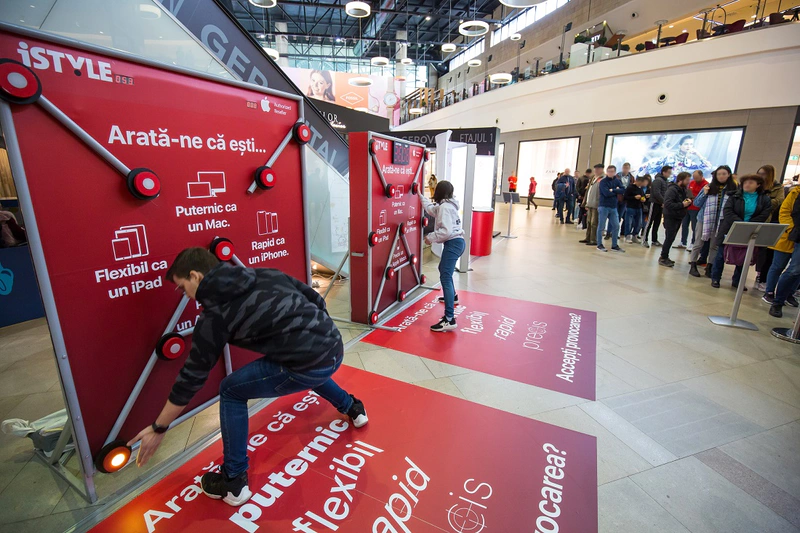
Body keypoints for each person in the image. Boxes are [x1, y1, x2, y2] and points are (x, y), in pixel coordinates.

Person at [128, 248, 368, 506]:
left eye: (182, 286)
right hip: (333, 346)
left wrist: (159, 427)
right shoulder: (263, 274)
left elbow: (191, 378)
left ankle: (233, 483)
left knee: (231, 390)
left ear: (196, 276)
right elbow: (316, 300)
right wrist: (313, 337)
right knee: (304, 363)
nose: (184, 295)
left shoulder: (214, 316)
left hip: (309, 364)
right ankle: (353, 408)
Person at [710, 174, 772, 289]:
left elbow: (764, 214)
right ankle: (715, 278)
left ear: (758, 185)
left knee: (744, 256)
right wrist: (740, 223)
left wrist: (748, 225)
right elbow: (727, 211)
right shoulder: (734, 196)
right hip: (731, 227)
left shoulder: (764, 199)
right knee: (721, 255)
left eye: (751, 182)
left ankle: (737, 281)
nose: (747, 185)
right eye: (745, 182)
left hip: (750, 230)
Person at [421, 181, 466, 332]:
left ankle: (449, 319)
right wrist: (420, 195)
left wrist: (430, 237)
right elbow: (431, 209)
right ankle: (452, 297)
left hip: (453, 244)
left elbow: (446, 232)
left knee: (445, 276)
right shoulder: (447, 205)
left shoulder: (445, 207)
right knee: (443, 270)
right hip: (457, 243)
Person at [688, 166, 737, 278]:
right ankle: (693, 265)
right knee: (698, 243)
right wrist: (705, 193)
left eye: (724, 174)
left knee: (715, 245)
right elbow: (697, 203)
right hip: (704, 219)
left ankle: (710, 266)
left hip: (721, 221)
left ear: (728, 174)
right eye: (719, 174)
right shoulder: (708, 187)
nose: (721, 176)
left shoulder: (733, 189)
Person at [763, 183, 800, 310]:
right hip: (788, 235)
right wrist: (792, 229)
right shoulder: (794, 193)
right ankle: (770, 293)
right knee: (778, 266)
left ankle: (789, 294)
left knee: (796, 270)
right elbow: (784, 212)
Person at [754, 164, 785, 291]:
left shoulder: (778, 187)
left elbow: (778, 202)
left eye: (763, 174)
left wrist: (764, 202)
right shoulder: (755, 185)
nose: (760, 176)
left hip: (770, 221)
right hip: (755, 219)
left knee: (766, 251)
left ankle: (761, 276)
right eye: (759, 173)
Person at [659, 172, 693, 267]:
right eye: (687, 180)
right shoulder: (672, 190)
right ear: (680, 180)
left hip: (678, 216)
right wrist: (682, 205)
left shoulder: (683, 190)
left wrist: (687, 202)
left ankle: (665, 256)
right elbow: (668, 204)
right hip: (671, 216)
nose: (688, 182)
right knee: (669, 237)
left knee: (672, 237)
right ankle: (663, 257)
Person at [596, 165, 626, 253]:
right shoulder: (603, 182)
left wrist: (612, 190)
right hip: (603, 206)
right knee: (601, 226)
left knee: (616, 225)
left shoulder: (617, 181)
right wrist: (616, 191)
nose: (610, 173)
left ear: (615, 172)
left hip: (613, 207)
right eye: (609, 171)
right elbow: (605, 193)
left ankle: (614, 245)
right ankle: (599, 244)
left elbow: (623, 190)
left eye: (612, 171)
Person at [679, 170, 708, 250]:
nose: (695, 179)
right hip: (688, 206)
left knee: (695, 227)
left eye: (697, 177)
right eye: (694, 177)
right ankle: (683, 242)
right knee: (684, 225)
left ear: (701, 176)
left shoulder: (706, 185)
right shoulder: (691, 183)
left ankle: (693, 242)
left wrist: (695, 198)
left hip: (696, 209)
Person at [646, 165, 673, 248]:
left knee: (657, 222)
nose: (669, 174)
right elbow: (657, 193)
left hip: (660, 204)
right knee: (649, 222)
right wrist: (664, 201)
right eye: (668, 172)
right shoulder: (658, 180)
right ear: (664, 172)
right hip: (654, 203)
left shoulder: (665, 181)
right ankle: (645, 239)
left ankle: (654, 240)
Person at [580, 164, 603, 245]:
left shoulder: (602, 179)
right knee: (589, 222)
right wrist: (585, 202)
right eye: (595, 169)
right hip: (590, 203)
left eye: (598, 169)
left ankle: (593, 239)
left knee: (594, 223)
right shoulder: (593, 178)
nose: (596, 170)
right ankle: (588, 237)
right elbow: (588, 191)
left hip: (596, 204)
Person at [623, 176, 647, 244]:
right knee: (629, 222)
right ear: (637, 181)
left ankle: (635, 235)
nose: (641, 184)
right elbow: (625, 197)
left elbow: (643, 196)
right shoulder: (630, 187)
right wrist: (634, 197)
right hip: (631, 207)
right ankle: (627, 235)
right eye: (640, 183)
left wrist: (643, 199)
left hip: (639, 207)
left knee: (638, 223)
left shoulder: (641, 189)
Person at [616, 163, 635, 237]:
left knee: (621, 216)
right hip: (617, 198)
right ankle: (613, 232)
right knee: (616, 216)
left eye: (627, 168)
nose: (625, 169)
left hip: (625, 199)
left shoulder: (632, 178)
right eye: (624, 168)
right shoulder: (617, 176)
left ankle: (621, 232)